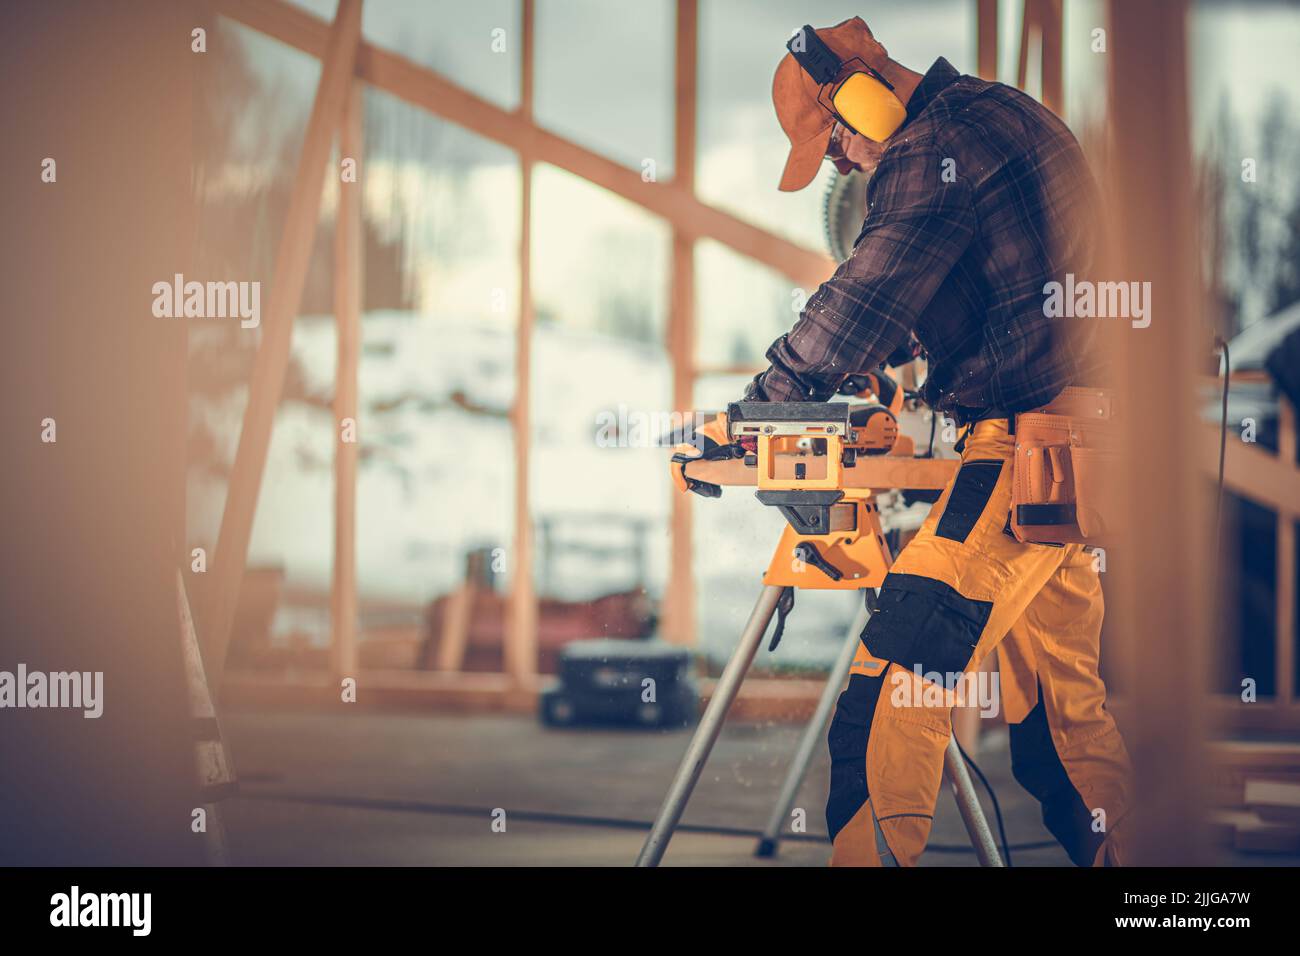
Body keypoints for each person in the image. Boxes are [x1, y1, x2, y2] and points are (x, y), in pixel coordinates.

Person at [674, 16, 1131, 867]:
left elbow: (867, 294)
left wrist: (761, 409)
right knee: (1064, 727)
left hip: (1029, 455)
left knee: (891, 688)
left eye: (836, 137)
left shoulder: (932, 152)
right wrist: (891, 360)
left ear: (865, 93)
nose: (843, 160)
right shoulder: (997, 114)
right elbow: (979, 294)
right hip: (1076, 455)